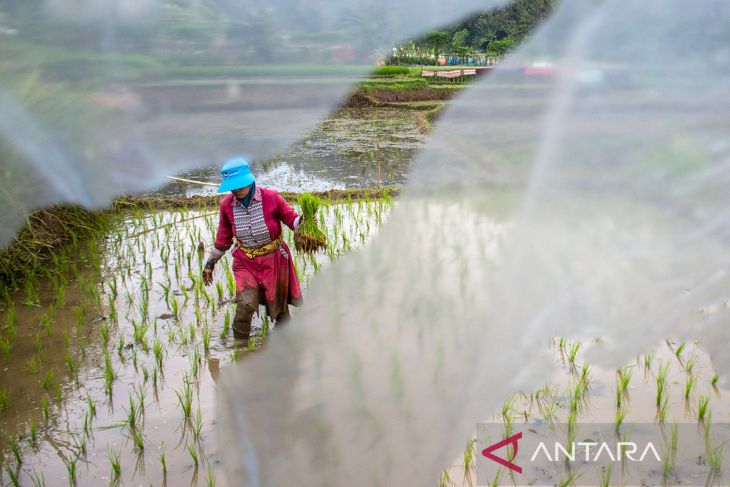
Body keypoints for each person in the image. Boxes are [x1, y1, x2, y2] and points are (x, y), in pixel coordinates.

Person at [202, 157, 306, 340]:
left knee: (280, 310)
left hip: (274, 259)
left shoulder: (271, 198)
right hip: (245, 261)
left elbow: (292, 219)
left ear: (250, 180)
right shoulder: (226, 205)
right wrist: (210, 264)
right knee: (244, 305)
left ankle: (287, 346)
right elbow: (223, 239)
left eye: (240, 185)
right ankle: (240, 350)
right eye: (233, 187)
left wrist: (304, 221)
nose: (237, 190)